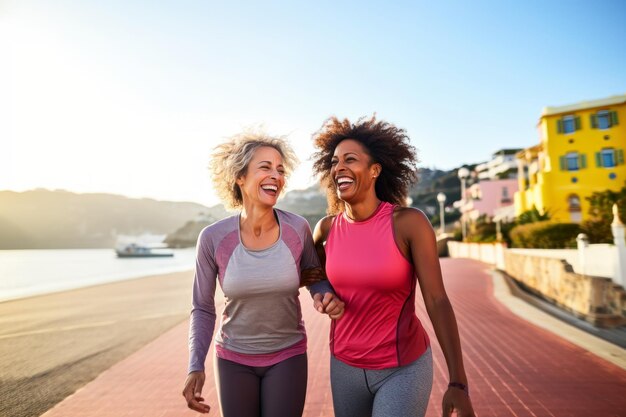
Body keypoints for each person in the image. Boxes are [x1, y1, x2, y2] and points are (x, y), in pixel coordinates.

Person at [309, 116, 476, 417]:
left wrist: (458, 382)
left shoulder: (408, 223)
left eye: (350, 159)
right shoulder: (326, 229)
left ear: (374, 170)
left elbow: (437, 300)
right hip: (344, 366)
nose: (339, 168)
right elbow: (311, 272)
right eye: (334, 162)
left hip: (402, 369)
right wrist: (321, 293)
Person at [182, 131, 344, 417]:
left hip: (288, 355)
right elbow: (203, 308)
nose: (276, 176)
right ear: (240, 177)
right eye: (265, 167)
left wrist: (324, 295)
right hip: (232, 359)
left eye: (280, 170)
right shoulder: (213, 238)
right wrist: (196, 366)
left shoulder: (298, 228)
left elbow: (313, 276)